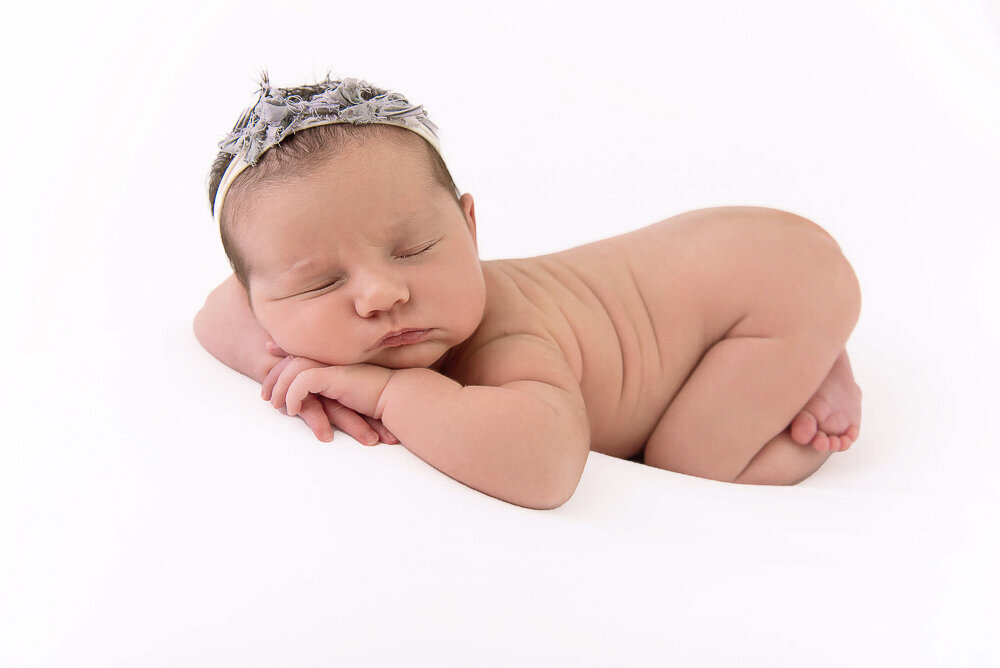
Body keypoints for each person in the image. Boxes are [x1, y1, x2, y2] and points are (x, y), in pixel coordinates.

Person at [193, 73, 863, 510]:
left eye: (417, 249)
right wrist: (281, 365)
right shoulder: (279, 306)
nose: (381, 293)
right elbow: (214, 315)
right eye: (320, 282)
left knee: (690, 464)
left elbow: (547, 467)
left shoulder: (507, 336)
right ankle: (806, 351)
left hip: (773, 286)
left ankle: (809, 389)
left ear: (469, 225)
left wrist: (392, 393)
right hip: (721, 262)